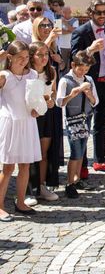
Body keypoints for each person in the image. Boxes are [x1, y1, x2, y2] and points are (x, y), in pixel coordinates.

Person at [71, 0, 105, 176]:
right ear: (91, 13)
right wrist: (89, 50)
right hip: (88, 84)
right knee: (84, 124)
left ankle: (100, 160)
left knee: (101, 124)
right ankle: (81, 166)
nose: (102, 16)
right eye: (98, 12)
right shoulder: (81, 31)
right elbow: (75, 59)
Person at [0, 41, 42, 220]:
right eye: (19, 58)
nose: (24, 61)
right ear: (10, 58)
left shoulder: (32, 74)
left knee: (25, 164)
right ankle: (0, 205)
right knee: (8, 167)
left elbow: (38, 97)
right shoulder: (4, 76)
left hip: (27, 122)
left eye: (26, 58)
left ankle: (21, 201)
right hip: (10, 122)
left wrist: (38, 108)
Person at [57, 51, 98, 199]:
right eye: (80, 69)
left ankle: (77, 178)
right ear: (73, 65)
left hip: (86, 118)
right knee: (75, 151)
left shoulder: (89, 80)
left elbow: (95, 102)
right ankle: (69, 183)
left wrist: (89, 95)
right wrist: (71, 95)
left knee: (82, 150)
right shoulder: (65, 80)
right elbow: (59, 102)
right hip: (72, 119)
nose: (83, 73)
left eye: (86, 70)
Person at [28, 42, 60, 201]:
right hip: (30, 116)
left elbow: (53, 92)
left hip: (46, 115)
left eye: (46, 54)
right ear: (31, 56)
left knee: (43, 153)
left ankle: (41, 186)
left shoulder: (52, 72)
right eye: (40, 54)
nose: (44, 58)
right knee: (28, 154)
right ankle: (29, 190)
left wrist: (51, 101)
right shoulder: (26, 73)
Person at [57, 6, 78, 75]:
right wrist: (70, 30)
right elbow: (58, 32)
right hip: (62, 46)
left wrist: (65, 23)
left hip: (72, 45)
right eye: (63, 12)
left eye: (67, 12)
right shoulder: (58, 20)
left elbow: (75, 30)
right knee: (62, 65)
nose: (65, 14)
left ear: (70, 12)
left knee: (73, 64)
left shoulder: (75, 20)